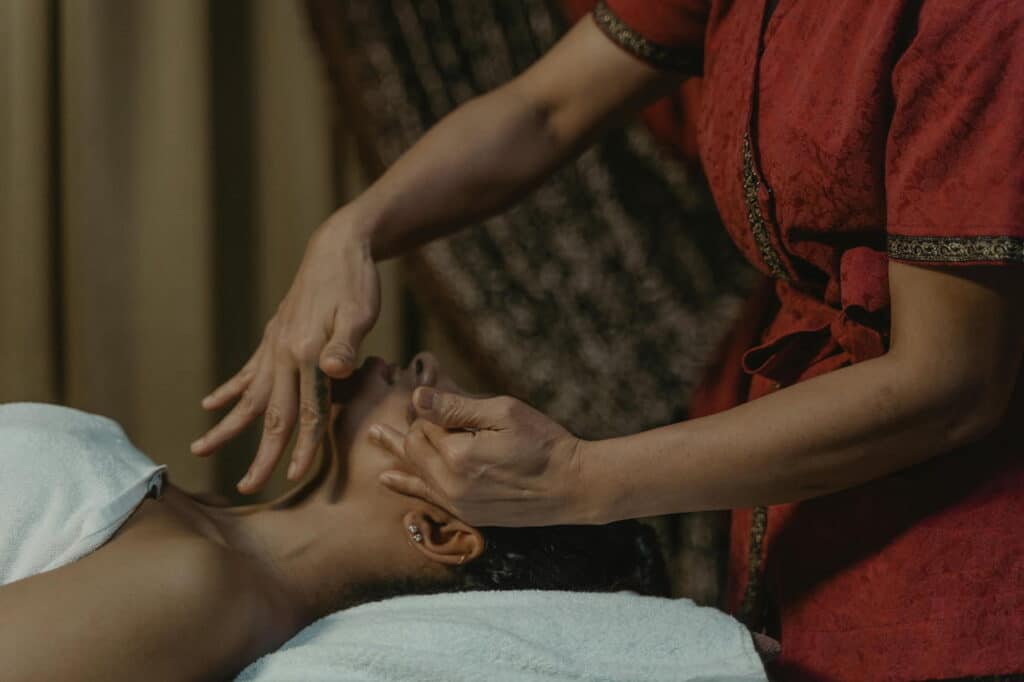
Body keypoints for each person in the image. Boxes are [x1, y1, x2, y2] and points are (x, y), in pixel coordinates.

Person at [192, 1, 1024, 678]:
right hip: (804, 526)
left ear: (446, 533)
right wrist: (352, 230)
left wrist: (578, 477)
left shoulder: (976, 19)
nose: (420, 364)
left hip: (961, 553)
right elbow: (544, 110)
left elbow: (951, 380)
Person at [0, 353, 669, 681]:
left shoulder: (198, 588)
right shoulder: (195, 525)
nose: (430, 365)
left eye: (470, 418)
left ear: (442, 533)